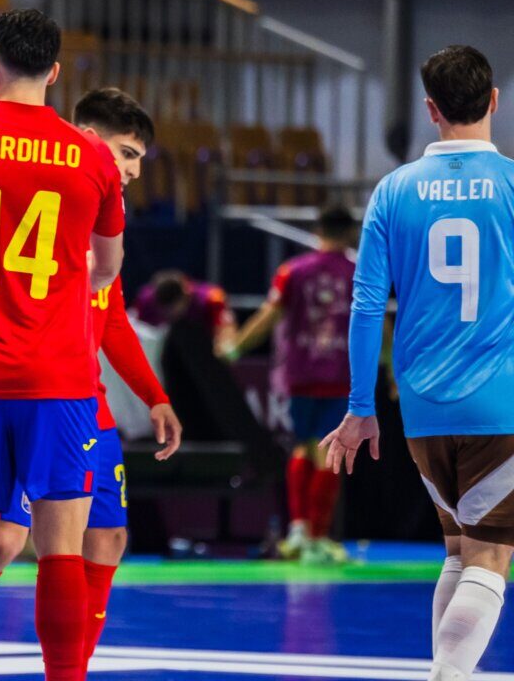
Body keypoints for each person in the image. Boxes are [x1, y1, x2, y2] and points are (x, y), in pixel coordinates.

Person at [0, 87, 181, 676]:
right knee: (26, 547)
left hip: (57, 399)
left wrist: (154, 396)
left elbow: (111, 316)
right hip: (52, 393)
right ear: (90, 140)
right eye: (125, 154)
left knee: (95, 540)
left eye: (137, 160)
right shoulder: (74, 192)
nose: (130, 170)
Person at [321, 45, 514, 681]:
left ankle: (445, 672)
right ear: (493, 100)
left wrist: (360, 407)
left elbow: (365, 305)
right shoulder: (512, 184)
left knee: (458, 552)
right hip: (502, 400)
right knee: (490, 558)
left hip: (422, 406)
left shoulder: (393, 190)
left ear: (431, 109)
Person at [229, 204, 358, 564]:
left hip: (299, 374)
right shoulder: (359, 272)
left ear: (318, 231)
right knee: (327, 452)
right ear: (350, 233)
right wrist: (392, 367)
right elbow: (376, 322)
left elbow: (268, 317)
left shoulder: (293, 270)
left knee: (302, 447)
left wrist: (235, 348)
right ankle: (317, 539)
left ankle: (299, 530)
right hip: (338, 374)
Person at [135, 269, 238, 355]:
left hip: (202, 351)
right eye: (164, 310)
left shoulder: (211, 299)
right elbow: (135, 329)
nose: (168, 314)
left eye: (172, 309)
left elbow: (227, 333)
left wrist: (224, 346)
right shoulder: (145, 300)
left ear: (185, 296)